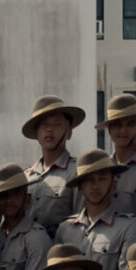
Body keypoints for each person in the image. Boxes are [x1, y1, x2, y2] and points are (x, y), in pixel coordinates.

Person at [55, 149, 136, 270]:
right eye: (89, 181)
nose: (95, 186)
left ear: (114, 184)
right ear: (80, 186)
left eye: (102, 179)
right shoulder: (65, 229)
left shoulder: (129, 226)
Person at [21, 94, 85, 230]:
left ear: (68, 132)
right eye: (44, 125)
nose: (49, 130)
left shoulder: (78, 172)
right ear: (36, 132)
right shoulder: (26, 176)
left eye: (57, 124)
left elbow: (81, 222)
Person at [100, 93, 136, 222]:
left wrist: (129, 238)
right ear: (109, 130)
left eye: (130, 124)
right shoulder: (102, 170)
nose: (123, 130)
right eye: (117, 125)